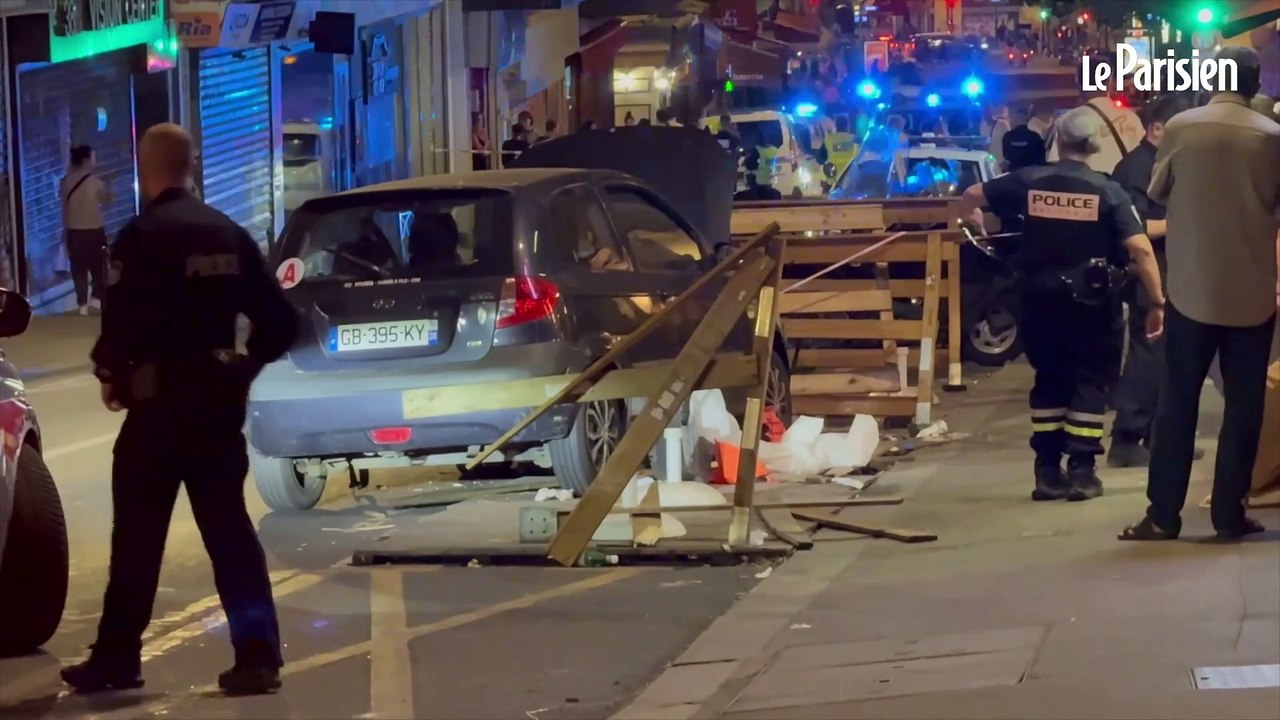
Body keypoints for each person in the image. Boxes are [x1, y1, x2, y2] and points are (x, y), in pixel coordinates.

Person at [61, 124, 298, 694]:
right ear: (192, 166)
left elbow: (120, 324)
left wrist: (112, 376)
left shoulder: (140, 237)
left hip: (157, 412)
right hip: (215, 410)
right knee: (231, 536)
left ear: (146, 168)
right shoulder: (229, 234)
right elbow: (281, 322)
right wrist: (243, 368)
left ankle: (118, 659)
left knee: (136, 541)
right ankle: (258, 658)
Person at [959, 107, 1165, 503]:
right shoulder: (1107, 191)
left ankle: (1047, 472)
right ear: (1094, 144)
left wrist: (976, 224)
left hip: (1038, 299)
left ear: (1060, 140)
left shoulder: (1028, 180)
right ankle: (1083, 473)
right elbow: (1140, 248)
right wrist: (1157, 300)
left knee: (1050, 380)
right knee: (1089, 381)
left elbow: (971, 196)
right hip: (1092, 304)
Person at [1120, 47, 1280, 541]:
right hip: (1252, 290)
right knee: (1244, 405)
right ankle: (1229, 514)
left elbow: (1158, 190)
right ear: (1255, 84)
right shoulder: (1273, 136)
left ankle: (1163, 515)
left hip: (1191, 287)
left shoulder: (1182, 127)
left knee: (1177, 402)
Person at [1108, 95, 1197, 467]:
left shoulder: (1161, 162)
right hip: (1148, 271)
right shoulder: (1136, 169)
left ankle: (1158, 439)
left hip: (1169, 268)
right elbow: (1136, 227)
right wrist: (1184, 222)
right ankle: (1127, 438)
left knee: (1168, 356)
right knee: (1150, 354)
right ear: (1156, 128)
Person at [61, 144, 113, 315]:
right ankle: (97, 299)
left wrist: (64, 233)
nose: (95, 161)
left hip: (74, 231)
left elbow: (64, 208)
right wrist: (109, 185)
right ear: (86, 160)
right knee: (99, 267)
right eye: (93, 157)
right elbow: (107, 200)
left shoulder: (65, 182)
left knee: (78, 269)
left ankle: (82, 303)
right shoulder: (95, 182)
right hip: (94, 230)